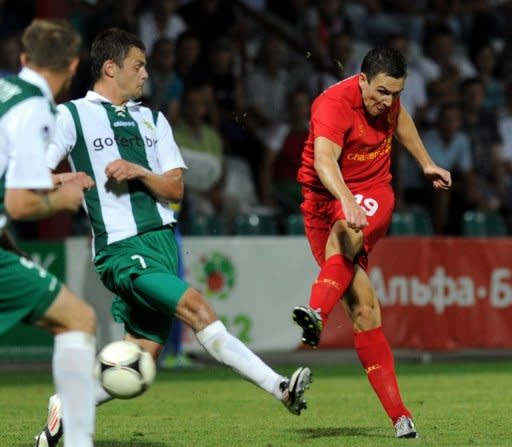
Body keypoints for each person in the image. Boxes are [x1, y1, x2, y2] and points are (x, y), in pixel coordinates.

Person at [36, 27, 312, 447]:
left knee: (140, 365)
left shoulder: (154, 120)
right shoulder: (71, 116)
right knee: (198, 308)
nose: (146, 74)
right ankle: (281, 388)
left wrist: (140, 171)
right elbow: (32, 175)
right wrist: (65, 179)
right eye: (138, 65)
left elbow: (175, 189)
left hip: (162, 245)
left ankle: (67, 407)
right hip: (122, 248)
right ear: (110, 68)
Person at [292, 47, 452, 439]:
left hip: (373, 191)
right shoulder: (332, 104)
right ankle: (401, 417)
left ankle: (316, 312)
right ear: (361, 79)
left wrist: (426, 162)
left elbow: (402, 122)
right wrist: (344, 198)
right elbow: (324, 161)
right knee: (365, 311)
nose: (387, 102)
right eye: (381, 92)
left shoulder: (390, 102)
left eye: (395, 94)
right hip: (322, 201)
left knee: (346, 235)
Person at [0, 19, 97, 447]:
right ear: (73, 65)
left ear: (24, 58)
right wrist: (65, 197)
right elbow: (18, 203)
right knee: (79, 319)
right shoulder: (38, 109)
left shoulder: (4, 91)